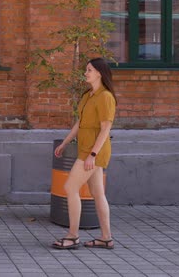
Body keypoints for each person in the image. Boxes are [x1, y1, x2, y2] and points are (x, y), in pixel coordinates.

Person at [51, 57, 117, 250]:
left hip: (94, 151)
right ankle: (106, 238)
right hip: (86, 149)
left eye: (89, 70)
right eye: (86, 70)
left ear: (99, 73)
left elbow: (106, 128)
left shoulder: (106, 97)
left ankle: (73, 236)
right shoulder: (88, 95)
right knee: (97, 193)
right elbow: (80, 124)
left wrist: (93, 155)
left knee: (70, 187)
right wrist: (64, 143)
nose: (85, 73)